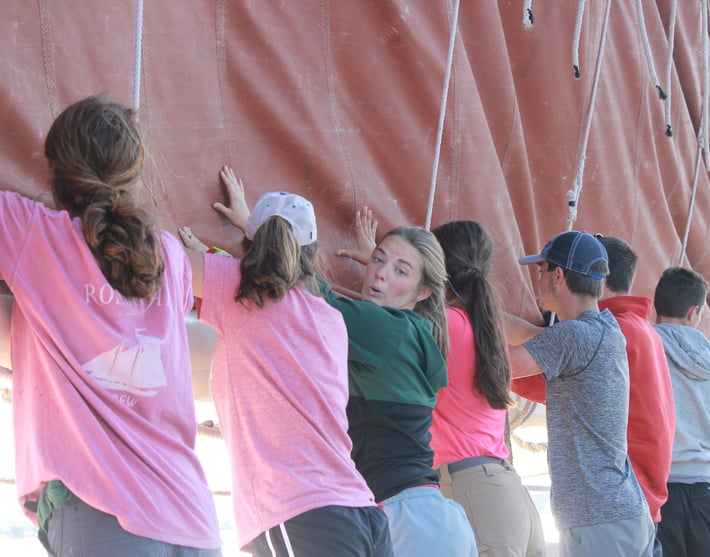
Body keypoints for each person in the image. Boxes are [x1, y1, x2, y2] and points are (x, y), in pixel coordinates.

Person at [0, 95, 221, 556]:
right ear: (135, 173)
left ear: (55, 169)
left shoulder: (29, 233)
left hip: (102, 514)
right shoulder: (170, 257)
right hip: (194, 521)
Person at [209, 181, 477, 556]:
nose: (380, 274)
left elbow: (299, 291)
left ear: (423, 294)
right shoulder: (410, 332)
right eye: (378, 260)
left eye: (400, 271)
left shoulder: (388, 330)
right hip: (416, 518)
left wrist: (258, 232)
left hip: (403, 518)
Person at [178, 167, 393, 556]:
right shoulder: (330, 317)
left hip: (300, 515)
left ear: (252, 245)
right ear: (312, 254)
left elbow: (157, 260)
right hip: (363, 512)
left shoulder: (237, 289)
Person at [504, 230, 654, 557]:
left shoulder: (573, 337)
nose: (538, 279)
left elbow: (504, 365)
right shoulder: (605, 328)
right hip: (622, 512)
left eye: (541, 271)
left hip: (597, 519)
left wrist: (454, 315)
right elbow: (538, 337)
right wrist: (482, 312)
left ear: (558, 276)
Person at [429, 220, 546, 557]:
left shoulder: (445, 324)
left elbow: (387, 325)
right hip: (506, 489)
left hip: (475, 490)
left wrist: (378, 267)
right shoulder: (489, 324)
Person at [596, 235, 675, 556]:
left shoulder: (611, 331)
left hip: (620, 502)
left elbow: (542, 383)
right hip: (645, 501)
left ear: (596, 276)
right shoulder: (644, 330)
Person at [653, 267, 710, 557]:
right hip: (704, 495)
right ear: (694, 312)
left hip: (657, 496)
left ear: (656, 303)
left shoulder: (641, 348)